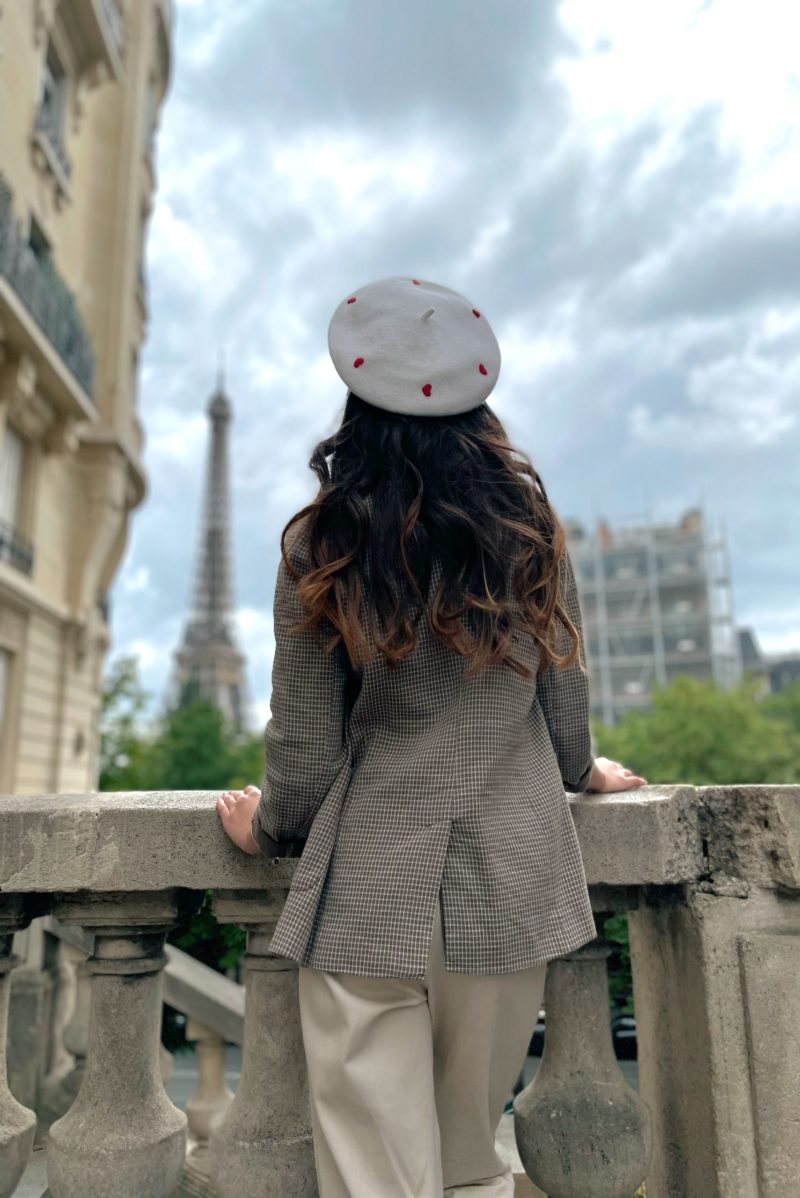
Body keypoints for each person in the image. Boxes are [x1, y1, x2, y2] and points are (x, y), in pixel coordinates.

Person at [216, 277, 645, 1198]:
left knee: (377, 1178)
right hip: (511, 881)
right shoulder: (530, 532)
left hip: (370, 888)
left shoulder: (323, 547)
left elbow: (304, 751)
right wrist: (582, 770)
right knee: (467, 1166)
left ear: (354, 409)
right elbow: (564, 701)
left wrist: (269, 828)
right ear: (477, 403)